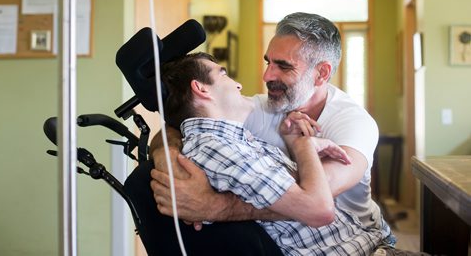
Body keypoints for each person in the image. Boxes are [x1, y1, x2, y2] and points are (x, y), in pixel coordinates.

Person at [151, 12, 394, 245]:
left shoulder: (354, 123)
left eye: (284, 66)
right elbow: (179, 124)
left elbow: (314, 198)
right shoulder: (266, 107)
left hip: (364, 240)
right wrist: (170, 165)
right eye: (268, 62)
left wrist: (215, 206)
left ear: (321, 74)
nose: (267, 76)